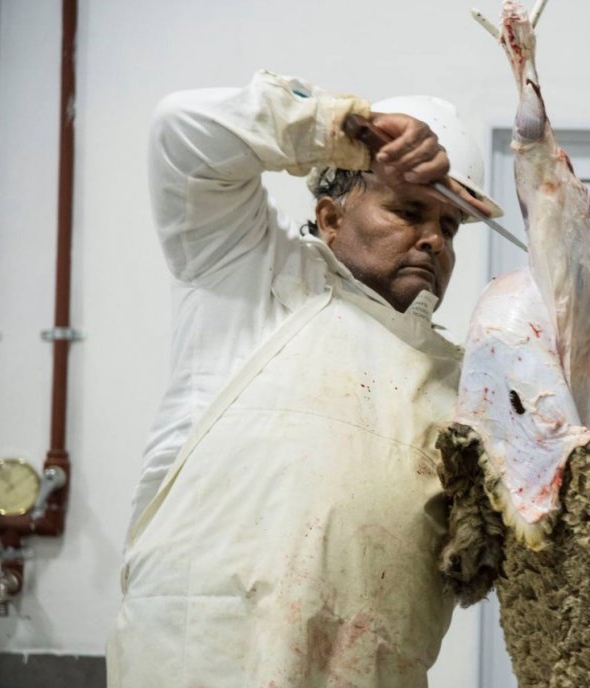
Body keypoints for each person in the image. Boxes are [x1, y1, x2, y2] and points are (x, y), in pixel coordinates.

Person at [106, 70, 502, 687]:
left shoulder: (463, 388)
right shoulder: (248, 275)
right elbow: (180, 137)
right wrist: (341, 131)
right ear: (330, 217)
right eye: (408, 210)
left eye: (448, 227)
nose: (433, 240)